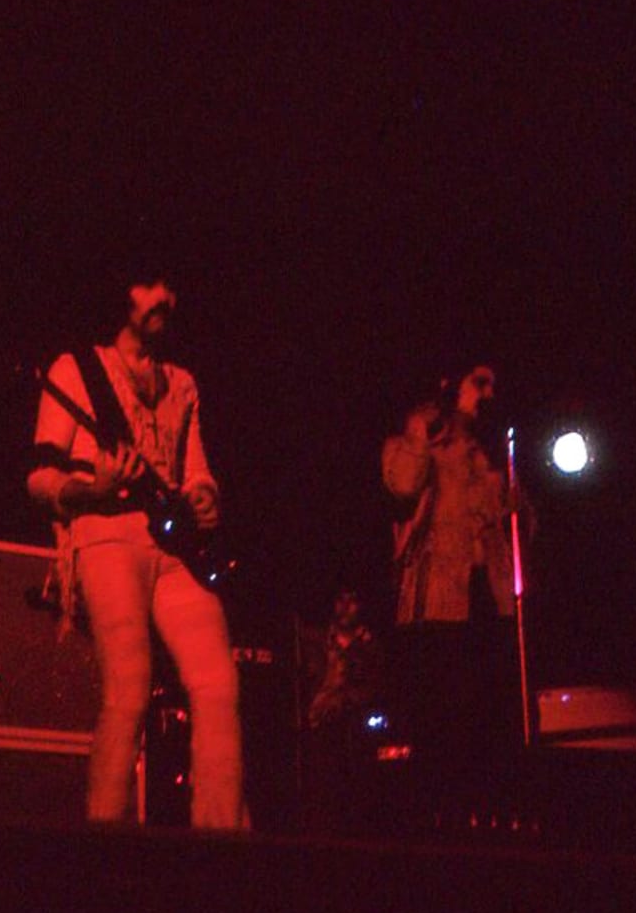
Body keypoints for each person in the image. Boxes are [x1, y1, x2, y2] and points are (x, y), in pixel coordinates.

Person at [26, 274, 247, 828]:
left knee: (218, 682)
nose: (165, 299)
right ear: (121, 294)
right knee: (129, 684)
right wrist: (92, 489)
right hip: (105, 535)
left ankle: (221, 835)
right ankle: (106, 832)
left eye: (171, 290)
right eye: (151, 287)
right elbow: (39, 477)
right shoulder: (75, 369)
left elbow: (194, 468)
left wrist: (203, 497)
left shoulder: (183, 382)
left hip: (174, 546)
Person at [381, 361, 531, 757]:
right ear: (451, 387)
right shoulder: (411, 444)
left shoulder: (496, 452)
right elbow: (403, 486)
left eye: (492, 385)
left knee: (493, 715)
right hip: (437, 603)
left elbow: (525, 528)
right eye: (479, 383)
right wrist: (419, 430)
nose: (489, 394)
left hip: (492, 600)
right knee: (444, 717)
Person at [299, 588, 383, 832]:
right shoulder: (314, 640)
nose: (345, 607)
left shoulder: (371, 646)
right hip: (311, 723)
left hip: (349, 724)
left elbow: (377, 686)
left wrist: (345, 701)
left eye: (352, 601)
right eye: (340, 600)